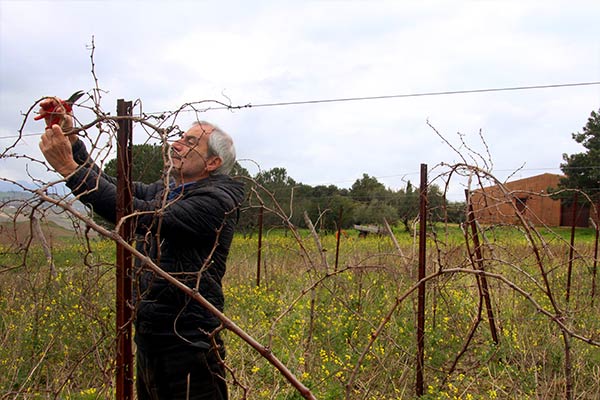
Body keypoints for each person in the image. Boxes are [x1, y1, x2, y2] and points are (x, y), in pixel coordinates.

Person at [37, 97, 245, 400]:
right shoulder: (168, 191)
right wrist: (73, 140)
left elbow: (133, 213)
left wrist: (69, 168)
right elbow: (112, 186)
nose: (176, 144)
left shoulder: (216, 203)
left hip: (187, 340)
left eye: (190, 142)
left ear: (213, 163)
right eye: (180, 137)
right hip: (151, 334)